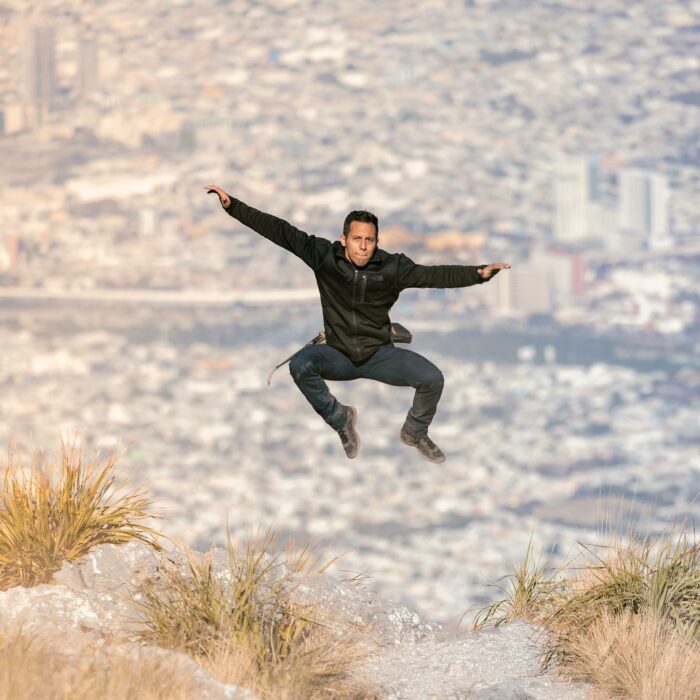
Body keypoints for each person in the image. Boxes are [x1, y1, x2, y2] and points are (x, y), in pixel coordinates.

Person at [205, 185, 510, 463]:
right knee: (300, 365)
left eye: (369, 240)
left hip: (379, 355)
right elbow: (280, 231)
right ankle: (341, 419)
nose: (363, 246)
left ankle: (414, 433)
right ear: (344, 240)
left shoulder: (393, 267)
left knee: (433, 379)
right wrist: (233, 206)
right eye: (357, 239)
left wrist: (477, 274)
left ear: (376, 242)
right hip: (338, 354)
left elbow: (434, 275)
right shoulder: (323, 256)